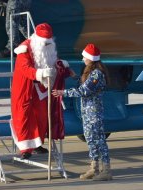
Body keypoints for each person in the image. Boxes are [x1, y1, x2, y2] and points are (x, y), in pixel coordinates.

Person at [10, 23, 75, 159]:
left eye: (48, 43)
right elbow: (25, 69)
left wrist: (65, 68)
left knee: (42, 117)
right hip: (26, 87)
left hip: (42, 89)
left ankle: (38, 144)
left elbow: (53, 62)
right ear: (38, 40)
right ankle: (25, 149)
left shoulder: (49, 48)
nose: (47, 45)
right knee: (24, 117)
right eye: (45, 43)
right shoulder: (25, 49)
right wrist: (41, 73)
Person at [52, 44, 112, 181]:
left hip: (94, 114)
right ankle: (94, 168)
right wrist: (74, 76)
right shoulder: (91, 72)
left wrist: (63, 93)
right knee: (90, 140)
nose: (83, 58)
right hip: (87, 114)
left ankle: (106, 170)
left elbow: (84, 91)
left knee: (99, 140)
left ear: (91, 58)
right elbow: (84, 85)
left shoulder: (97, 74)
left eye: (85, 56)